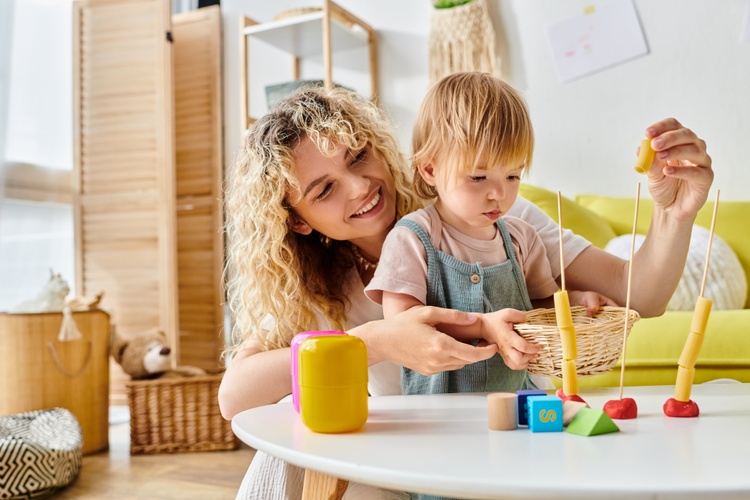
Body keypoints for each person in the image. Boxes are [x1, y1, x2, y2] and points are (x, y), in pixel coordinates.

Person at [219, 85, 713, 500]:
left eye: (359, 156)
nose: (359, 186)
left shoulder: (495, 218)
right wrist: (377, 342)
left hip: (511, 439)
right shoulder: (310, 285)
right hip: (414, 460)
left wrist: (675, 212)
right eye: (324, 190)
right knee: (287, 458)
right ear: (296, 222)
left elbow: (641, 295)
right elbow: (235, 396)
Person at [364, 72, 614, 397]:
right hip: (439, 412)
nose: (499, 193)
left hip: (517, 400)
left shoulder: (522, 238)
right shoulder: (412, 238)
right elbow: (403, 327)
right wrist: (483, 326)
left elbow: (540, 305)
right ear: (430, 170)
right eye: (479, 177)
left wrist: (576, 302)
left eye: (513, 175)